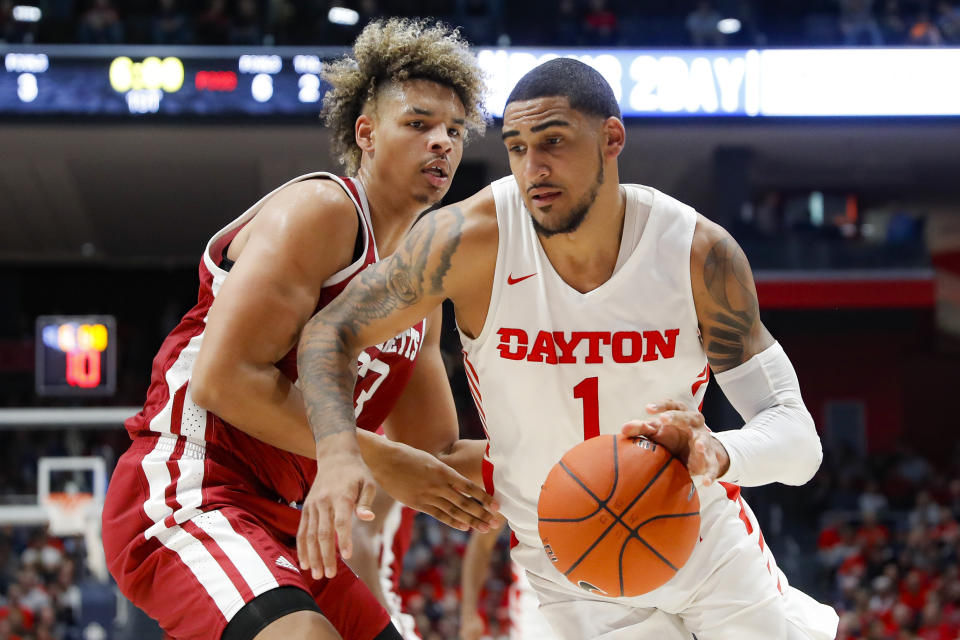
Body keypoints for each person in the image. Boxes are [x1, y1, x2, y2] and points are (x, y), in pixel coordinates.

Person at [297, 58, 840, 639]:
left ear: (612, 138)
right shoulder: (466, 240)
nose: (534, 167)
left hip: (703, 543)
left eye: (553, 141)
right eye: (517, 146)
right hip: (572, 563)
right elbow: (328, 333)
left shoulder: (696, 252)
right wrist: (338, 451)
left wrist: (718, 452)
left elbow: (798, 442)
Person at [101, 19, 498, 640]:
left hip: (287, 520)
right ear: (366, 134)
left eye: (453, 131)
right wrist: (379, 459)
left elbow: (436, 456)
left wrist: (567, 461)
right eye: (418, 125)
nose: (442, 143)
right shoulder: (323, 210)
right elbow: (223, 380)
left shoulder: (422, 284)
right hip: (191, 488)